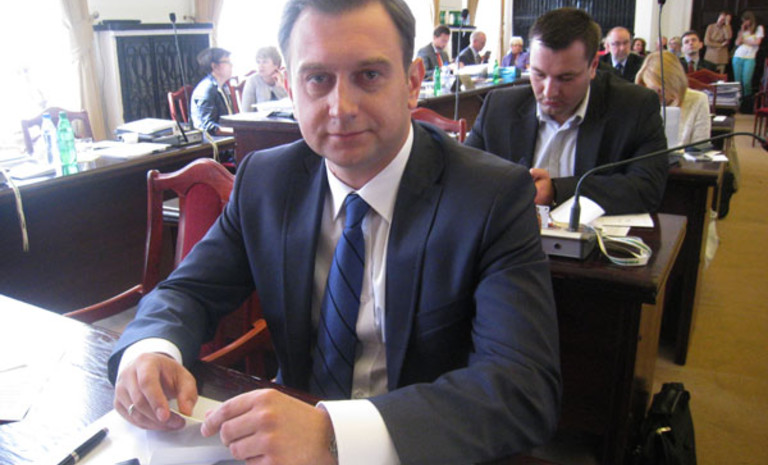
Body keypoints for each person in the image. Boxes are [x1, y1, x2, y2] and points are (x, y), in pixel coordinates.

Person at [108, 1, 561, 465]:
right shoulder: (266, 181)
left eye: (369, 75)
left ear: (412, 82)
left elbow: (523, 388)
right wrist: (150, 350)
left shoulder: (492, 197)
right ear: (291, 87)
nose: (341, 108)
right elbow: (187, 292)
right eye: (318, 78)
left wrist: (332, 433)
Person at [465, 8, 668, 215]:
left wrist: (557, 191)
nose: (549, 91)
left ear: (593, 66)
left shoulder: (635, 107)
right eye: (539, 74)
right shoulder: (498, 107)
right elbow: (464, 176)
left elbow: (647, 189)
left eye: (565, 78)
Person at [636, 51, 712, 145]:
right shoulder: (640, 100)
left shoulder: (698, 100)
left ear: (674, 84)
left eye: (660, 90)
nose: (657, 95)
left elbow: (700, 147)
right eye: (652, 90)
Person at [190, 47, 235, 135]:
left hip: (227, 136)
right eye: (227, 62)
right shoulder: (207, 90)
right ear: (214, 66)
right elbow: (208, 127)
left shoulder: (224, 86)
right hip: (213, 140)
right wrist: (237, 132)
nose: (231, 65)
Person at [240, 46, 289, 112]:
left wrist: (281, 87)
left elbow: (292, 107)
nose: (260, 66)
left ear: (276, 65)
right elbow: (246, 111)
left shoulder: (286, 78)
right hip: (259, 118)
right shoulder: (252, 81)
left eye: (265, 62)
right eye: (258, 62)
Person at [733, 11, 764, 96]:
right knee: (737, 82)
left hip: (750, 58)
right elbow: (737, 43)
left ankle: (747, 100)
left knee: (746, 81)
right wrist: (742, 31)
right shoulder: (743, 30)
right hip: (738, 56)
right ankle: (738, 99)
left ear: (751, 19)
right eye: (743, 21)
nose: (745, 23)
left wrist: (744, 41)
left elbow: (757, 42)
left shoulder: (759, 28)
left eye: (746, 20)